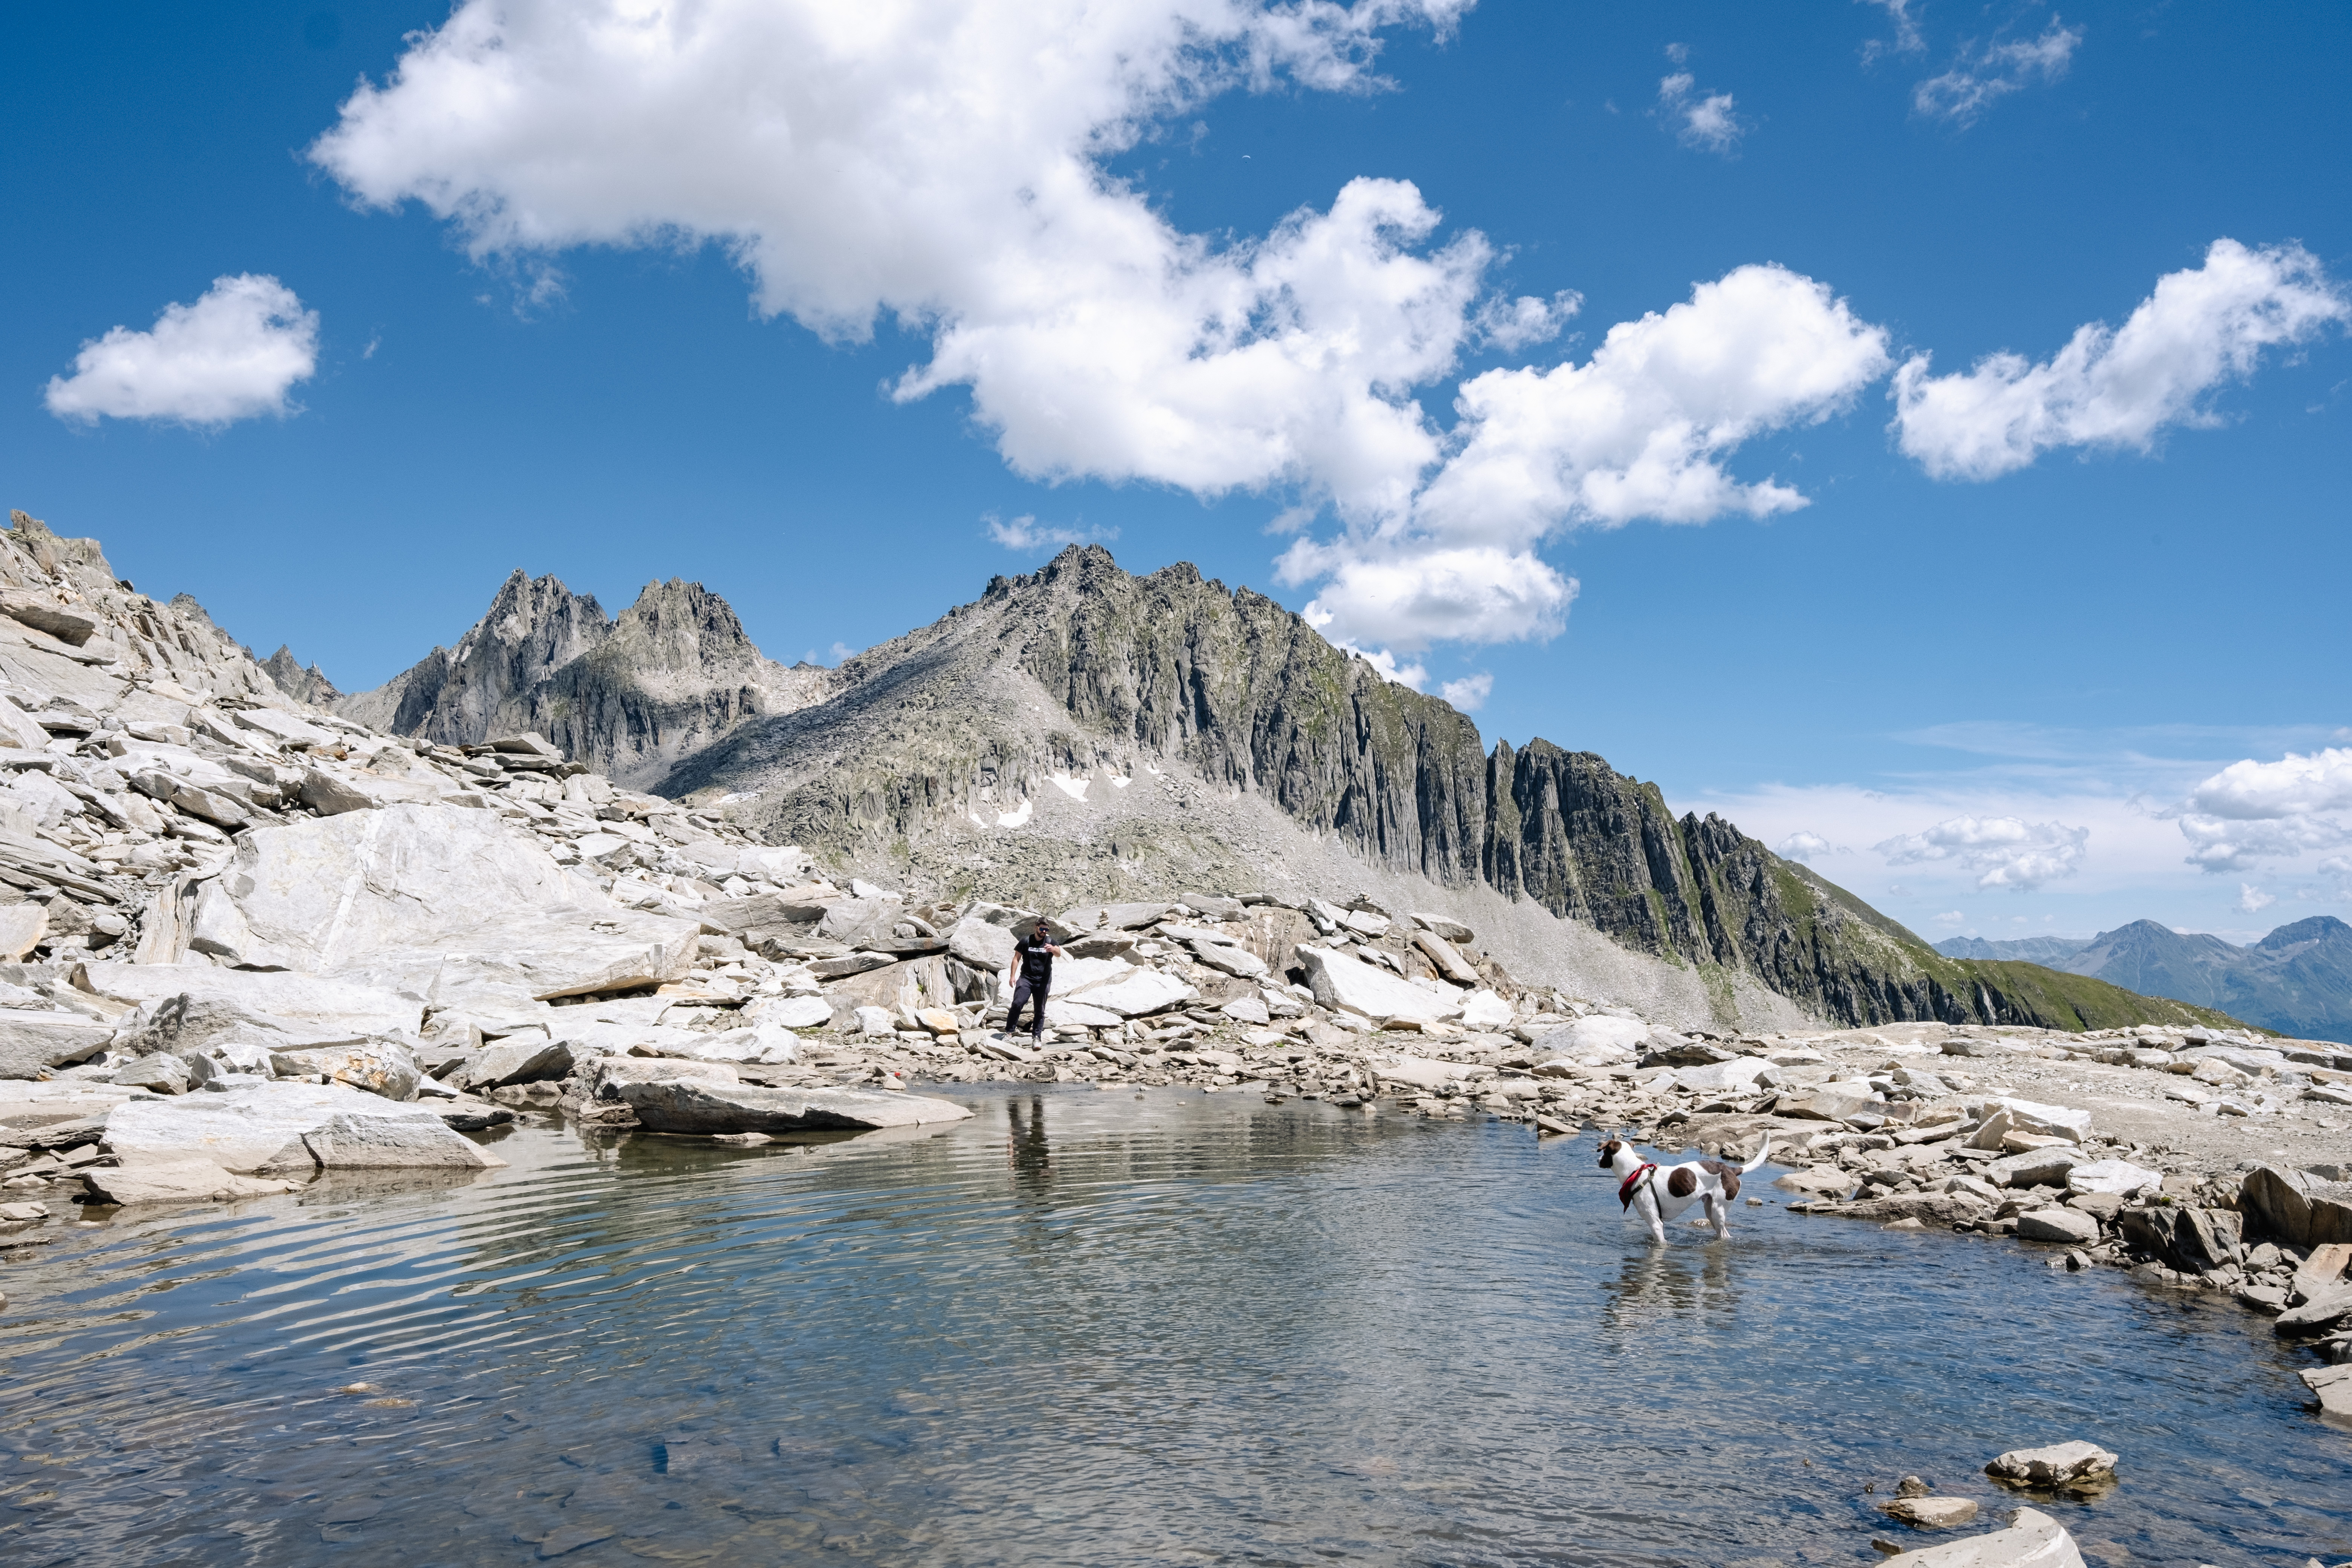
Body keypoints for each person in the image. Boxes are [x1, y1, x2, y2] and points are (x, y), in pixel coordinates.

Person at [1005, 919, 1061, 1042]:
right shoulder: (1026, 941)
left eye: (1046, 929)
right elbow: (1016, 958)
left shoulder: (1050, 941)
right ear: (1036, 927)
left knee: (1040, 1010)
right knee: (1018, 1003)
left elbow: (1058, 953)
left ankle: (1037, 1037)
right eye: (1042, 929)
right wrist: (1012, 976)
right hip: (1026, 979)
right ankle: (1009, 1032)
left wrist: (1053, 949)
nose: (1044, 932)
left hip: (1043, 981)